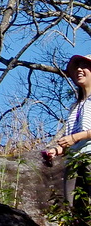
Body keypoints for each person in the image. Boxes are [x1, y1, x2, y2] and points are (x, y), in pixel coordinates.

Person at [42, 53, 91, 210]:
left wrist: (76, 137)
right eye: (77, 67)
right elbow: (69, 139)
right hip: (73, 162)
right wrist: (56, 150)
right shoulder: (76, 106)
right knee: (74, 210)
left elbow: (75, 137)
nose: (79, 70)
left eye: (85, 66)